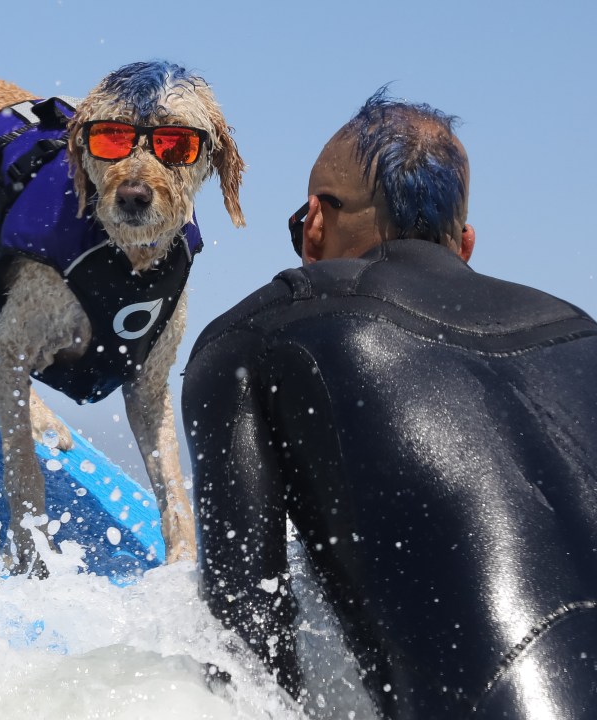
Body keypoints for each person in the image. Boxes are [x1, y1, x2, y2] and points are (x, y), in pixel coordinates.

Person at [182, 88, 597, 718]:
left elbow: (246, 653)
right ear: (466, 244)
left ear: (315, 223)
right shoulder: (580, 332)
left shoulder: (262, 333)